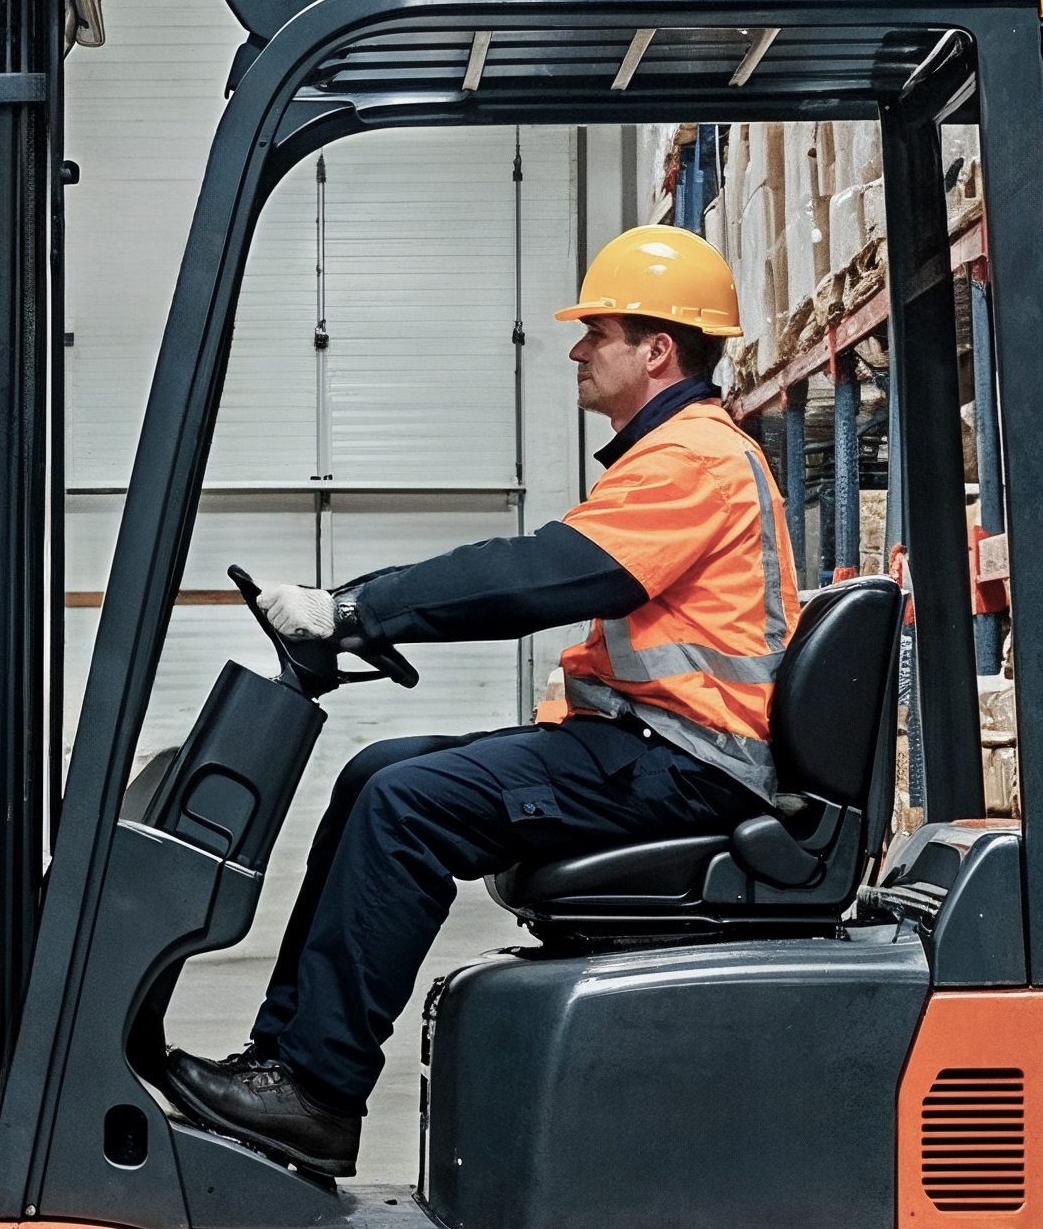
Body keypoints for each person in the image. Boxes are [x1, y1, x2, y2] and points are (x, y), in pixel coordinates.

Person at [165, 223, 800, 1178]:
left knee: (407, 806)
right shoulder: (672, 458)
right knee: (381, 770)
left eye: (599, 332)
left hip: (691, 766)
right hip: (653, 748)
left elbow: (540, 575)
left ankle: (319, 1091)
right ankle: (284, 1063)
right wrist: (366, 618)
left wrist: (355, 608)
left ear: (658, 350)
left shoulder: (696, 461)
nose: (579, 350)